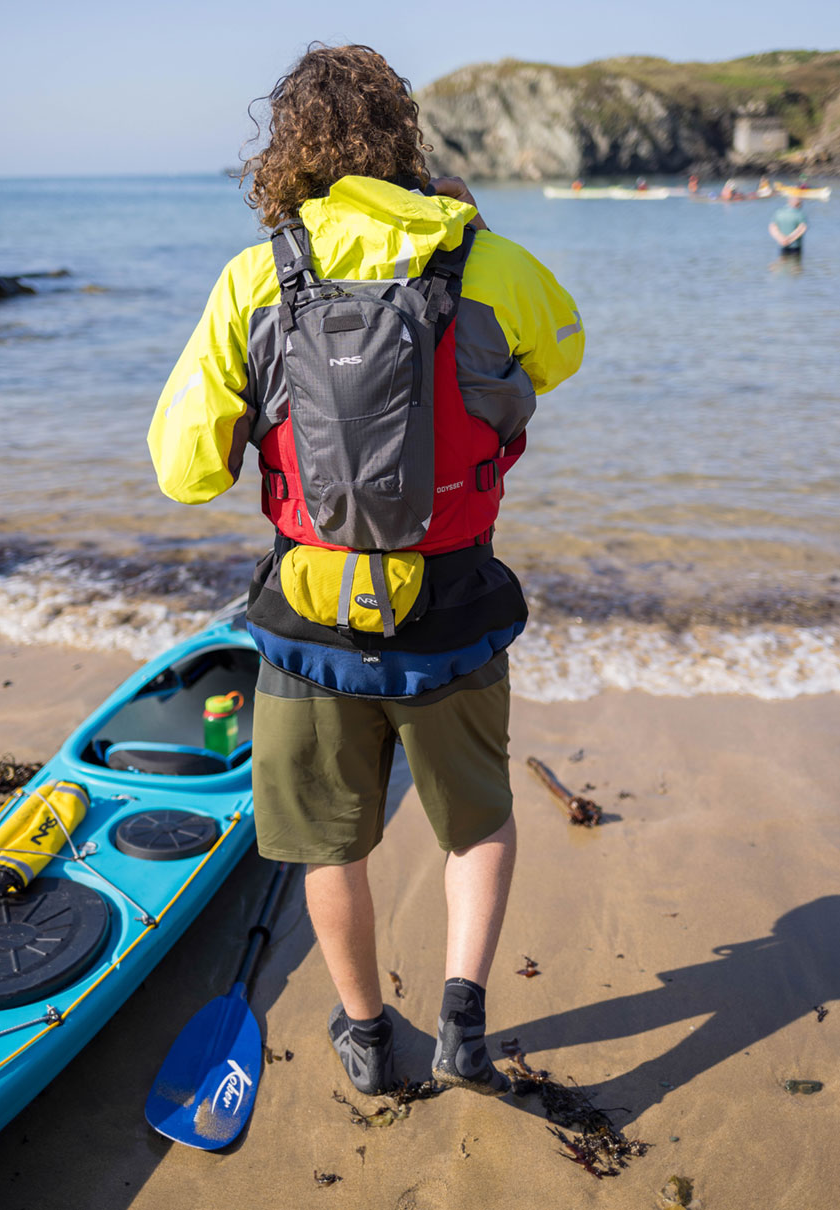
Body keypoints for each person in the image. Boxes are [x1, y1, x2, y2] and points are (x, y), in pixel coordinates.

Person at [147, 43, 584, 1099]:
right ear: (406, 139)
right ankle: (464, 1020)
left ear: (287, 148)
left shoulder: (258, 276)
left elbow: (184, 471)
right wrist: (473, 228)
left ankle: (361, 1033)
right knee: (476, 819)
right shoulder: (481, 257)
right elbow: (562, 352)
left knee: (326, 839)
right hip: (455, 610)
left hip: (311, 620)